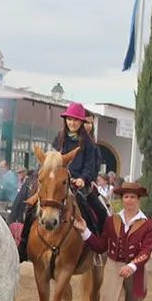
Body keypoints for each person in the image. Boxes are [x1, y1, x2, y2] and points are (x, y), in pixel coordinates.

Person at [17, 102, 107, 262]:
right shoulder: (58, 139)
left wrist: (83, 178)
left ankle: (97, 249)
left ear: (81, 122)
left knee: (98, 210)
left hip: (79, 184)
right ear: (65, 120)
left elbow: (90, 165)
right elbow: (51, 159)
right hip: (58, 182)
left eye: (76, 120)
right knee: (31, 206)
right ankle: (23, 245)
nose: (73, 123)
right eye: (70, 119)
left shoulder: (89, 143)